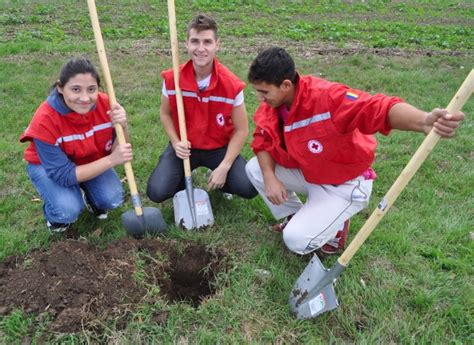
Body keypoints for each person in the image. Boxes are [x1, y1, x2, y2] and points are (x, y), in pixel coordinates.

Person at [245, 47, 464, 256]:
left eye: (264, 92)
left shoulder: (328, 97)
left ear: (285, 85)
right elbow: (262, 139)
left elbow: (378, 108)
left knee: (296, 241)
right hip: (311, 172)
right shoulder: (274, 105)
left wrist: (423, 120)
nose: (260, 99)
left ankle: (335, 228)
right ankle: (297, 216)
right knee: (255, 169)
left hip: (343, 184)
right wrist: (269, 177)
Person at [146, 14, 257, 203]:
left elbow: (241, 130)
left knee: (247, 186)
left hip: (218, 147)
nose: (201, 49)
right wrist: (175, 142)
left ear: (217, 44)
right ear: (187, 44)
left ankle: (221, 182)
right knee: (157, 191)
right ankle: (179, 185)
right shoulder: (173, 78)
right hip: (185, 147)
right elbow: (165, 114)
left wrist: (224, 166)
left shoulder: (231, 84)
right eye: (195, 41)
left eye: (207, 42)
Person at [20, 57, 133, 233]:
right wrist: (111, 160)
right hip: (50, 167)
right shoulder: (44, 120)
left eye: (91, 89)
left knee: (112, 198)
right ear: (60, 88)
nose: (85, 98)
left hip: (87, 158)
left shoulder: (107, 105)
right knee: (67, 210)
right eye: (75, 89)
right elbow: (63, 175)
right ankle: (56, 217)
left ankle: (91, 196)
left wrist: (123, 126)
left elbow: (119, 148)